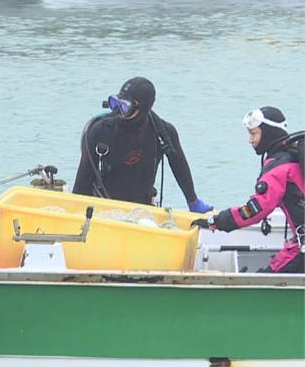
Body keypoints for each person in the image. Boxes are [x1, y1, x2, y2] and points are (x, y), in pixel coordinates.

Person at [73, 77, 212, 212]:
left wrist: (193, 201)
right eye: (115, 103)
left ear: (142, 108)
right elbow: (83, 180)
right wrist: (75, 212)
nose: (118, 111)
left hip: (143, 211)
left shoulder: (163, 132)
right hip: (104, 208)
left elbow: (179, 167)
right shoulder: (101, 131)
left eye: (124, 106)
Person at [192, 107, 304, 274]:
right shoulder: (295, 156)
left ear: (268, 134)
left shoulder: (278, 168)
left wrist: (217, 221)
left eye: (253, 134)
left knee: (267, 281)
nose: (250, 140)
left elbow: (254, 210)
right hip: (298, 241)